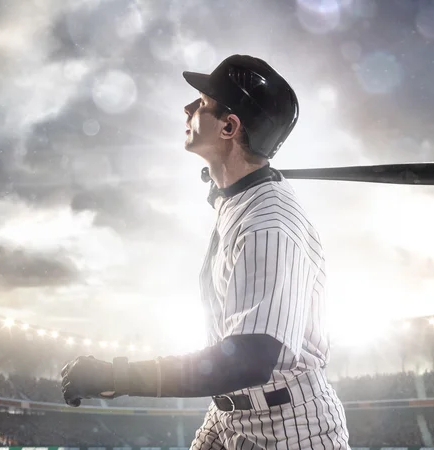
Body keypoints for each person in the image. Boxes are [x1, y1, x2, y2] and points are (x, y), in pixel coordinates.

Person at [61, 54, 350, 449]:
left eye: (201, 103)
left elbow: (247, 359)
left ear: (230, 126)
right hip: (231, 417)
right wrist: (222, 186)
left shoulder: (269, 222)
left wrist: (118, 376)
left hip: (289, 431)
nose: (188, 107)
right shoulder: (240, 202)